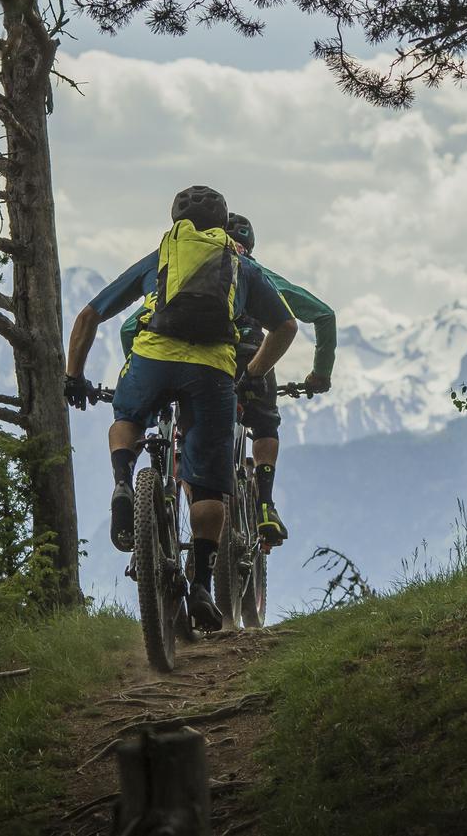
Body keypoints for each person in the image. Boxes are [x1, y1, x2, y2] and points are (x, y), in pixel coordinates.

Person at [63, 186, 296, 631]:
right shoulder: (242, 265)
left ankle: (122, 483)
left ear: (175, 221)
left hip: (153, 359)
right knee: (208, 490)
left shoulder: (161, 258)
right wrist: (253, 372)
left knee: (128, 418)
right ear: (223, 223)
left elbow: (89, 316)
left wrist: (73, 376)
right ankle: (204, 584)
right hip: (211, 372)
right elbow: (286, 325)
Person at [219, 212, 335, 547]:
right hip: (251, 357)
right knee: (265, 426)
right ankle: (265, 504)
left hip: (199, 361)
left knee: (190, 434)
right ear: (249, 245)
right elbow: (324, 315)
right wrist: (319, 375)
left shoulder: (187, 274)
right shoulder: (259, 274)